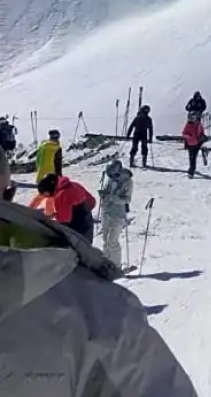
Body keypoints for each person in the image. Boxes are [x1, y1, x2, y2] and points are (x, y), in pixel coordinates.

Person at [0, 150, 199, 395]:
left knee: (107, 242)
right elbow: (90, 201)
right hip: (91, 219)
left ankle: (97, 261)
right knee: (102, 242)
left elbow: (63, 216)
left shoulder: (65, 194)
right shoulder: (102, 311)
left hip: (83, 222)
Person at [37, 172, 97, 244]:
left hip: (78, 230)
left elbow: (64, 224)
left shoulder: (60, 196)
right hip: (88, 223)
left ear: (49, 189)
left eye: (46, 194)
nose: (47, 197)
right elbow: (91, 202)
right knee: (87, 251)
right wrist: (58, 214)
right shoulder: (74, 185)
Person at [98, 158, 134, 268]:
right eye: (110, 176)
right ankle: (106, 263)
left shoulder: (127, 181)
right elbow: (106, 189)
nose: (112, 178)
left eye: (114, 175)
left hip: (117, 213)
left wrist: (113, 198)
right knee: (105, 240)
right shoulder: (110, 178)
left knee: (112, 241)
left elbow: (127, 200)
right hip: (106, 211)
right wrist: (103, 195)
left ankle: (116, 266)